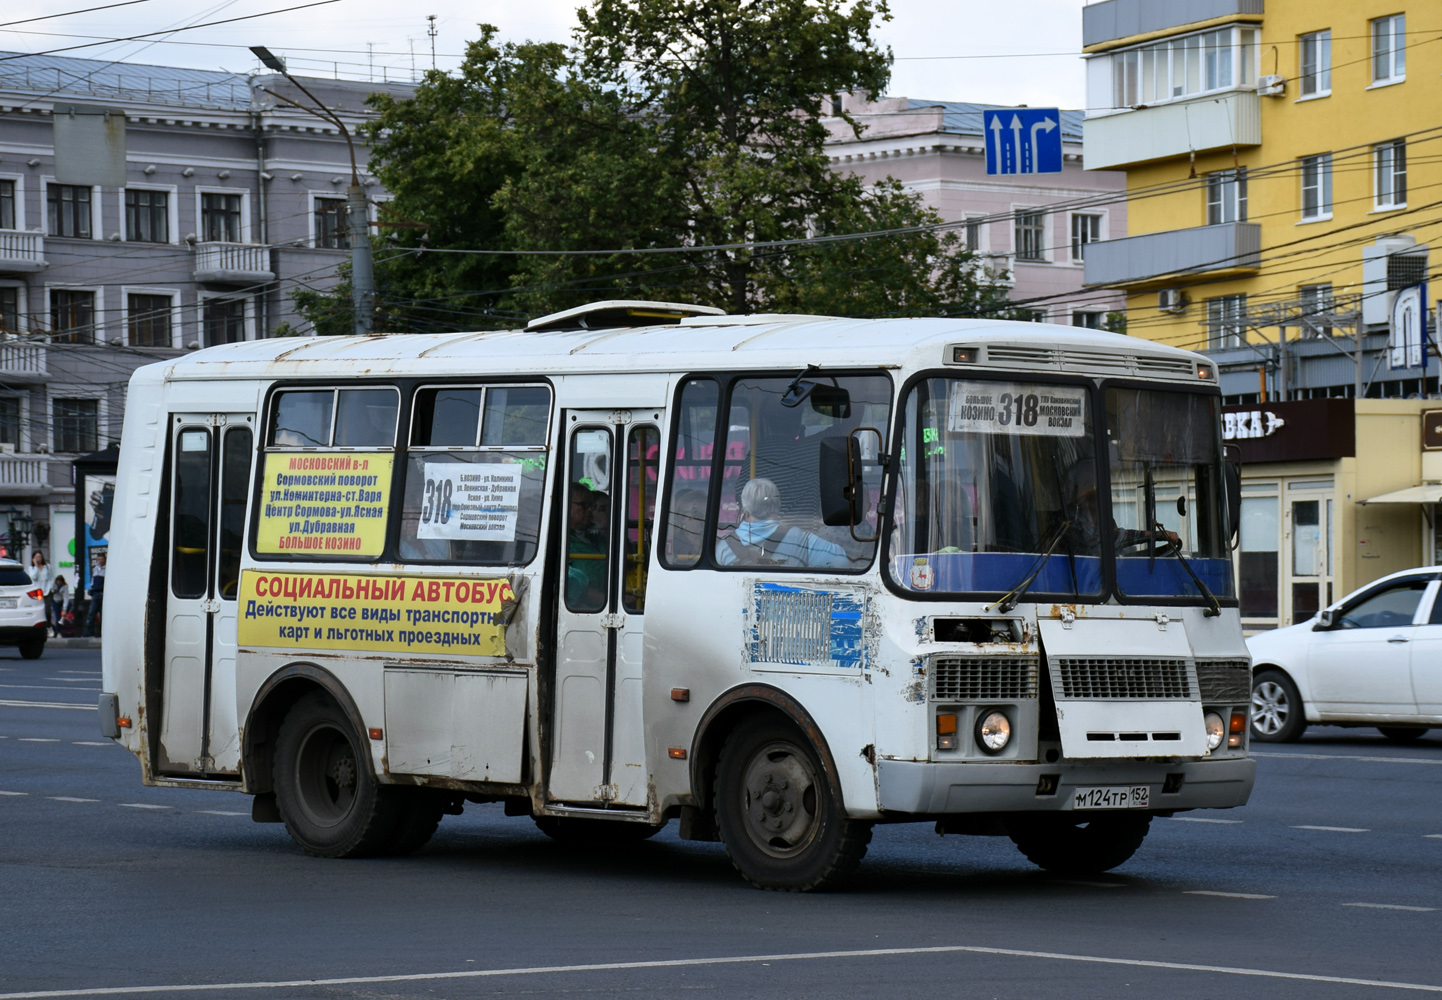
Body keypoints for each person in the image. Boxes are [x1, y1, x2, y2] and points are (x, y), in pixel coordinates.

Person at [715, 478, 848, 568]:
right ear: (778, 507)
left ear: (746, 510)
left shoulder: (724, 545)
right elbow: (841, 560)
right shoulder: (802, 540)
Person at [27, 551, 55, 634]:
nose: (38, 559)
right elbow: (33, 577)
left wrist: (50, 588)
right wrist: (36, 566)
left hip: (47, 591)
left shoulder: (47, 567)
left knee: (47, 611)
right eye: (36, 557)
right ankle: (41, 629)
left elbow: (51, 578)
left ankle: (49, 627)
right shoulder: (31, 568)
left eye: (39, 557)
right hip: (38, 593)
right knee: (39, 611)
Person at [82, 551, 105, 637]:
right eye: (99, 559)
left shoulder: (106, 569)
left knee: (102, 613)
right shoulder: (96, 568)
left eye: (102, 559)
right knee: (91, 613)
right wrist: (91, 590)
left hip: (102, 593)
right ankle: (89, 631)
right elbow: (93, 581)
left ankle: (101, 632)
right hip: (95, 593)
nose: (100, 561)